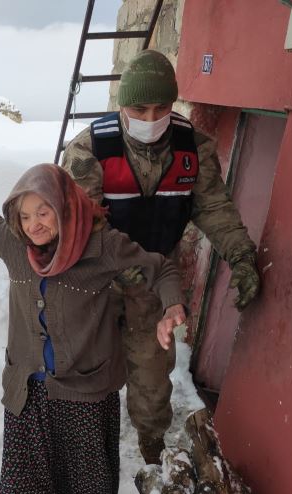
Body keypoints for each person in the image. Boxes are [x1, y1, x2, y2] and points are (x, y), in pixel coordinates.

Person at [0, 163, 186, 494]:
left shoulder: (101, 246)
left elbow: (161, 268)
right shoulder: (13, 244)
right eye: (24, 215)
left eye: (43, 211)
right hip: (27, 384)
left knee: (90, 474)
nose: (33, 224)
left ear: (63, 206)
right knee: (21, 478)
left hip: (85, 384)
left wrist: (171, 308)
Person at [61, 49, 260, 465]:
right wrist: (130, 268)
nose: (151, 118)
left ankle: (152, 452)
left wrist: (241, 257)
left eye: (161, 107)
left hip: (154, 287)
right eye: (139, 108)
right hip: (98, 282)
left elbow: (214, 209)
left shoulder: (194, 149)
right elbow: (85, 226)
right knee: (86, 370)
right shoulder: (89, 150)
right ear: (122, 106)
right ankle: (83, 456)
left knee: (152, 376)